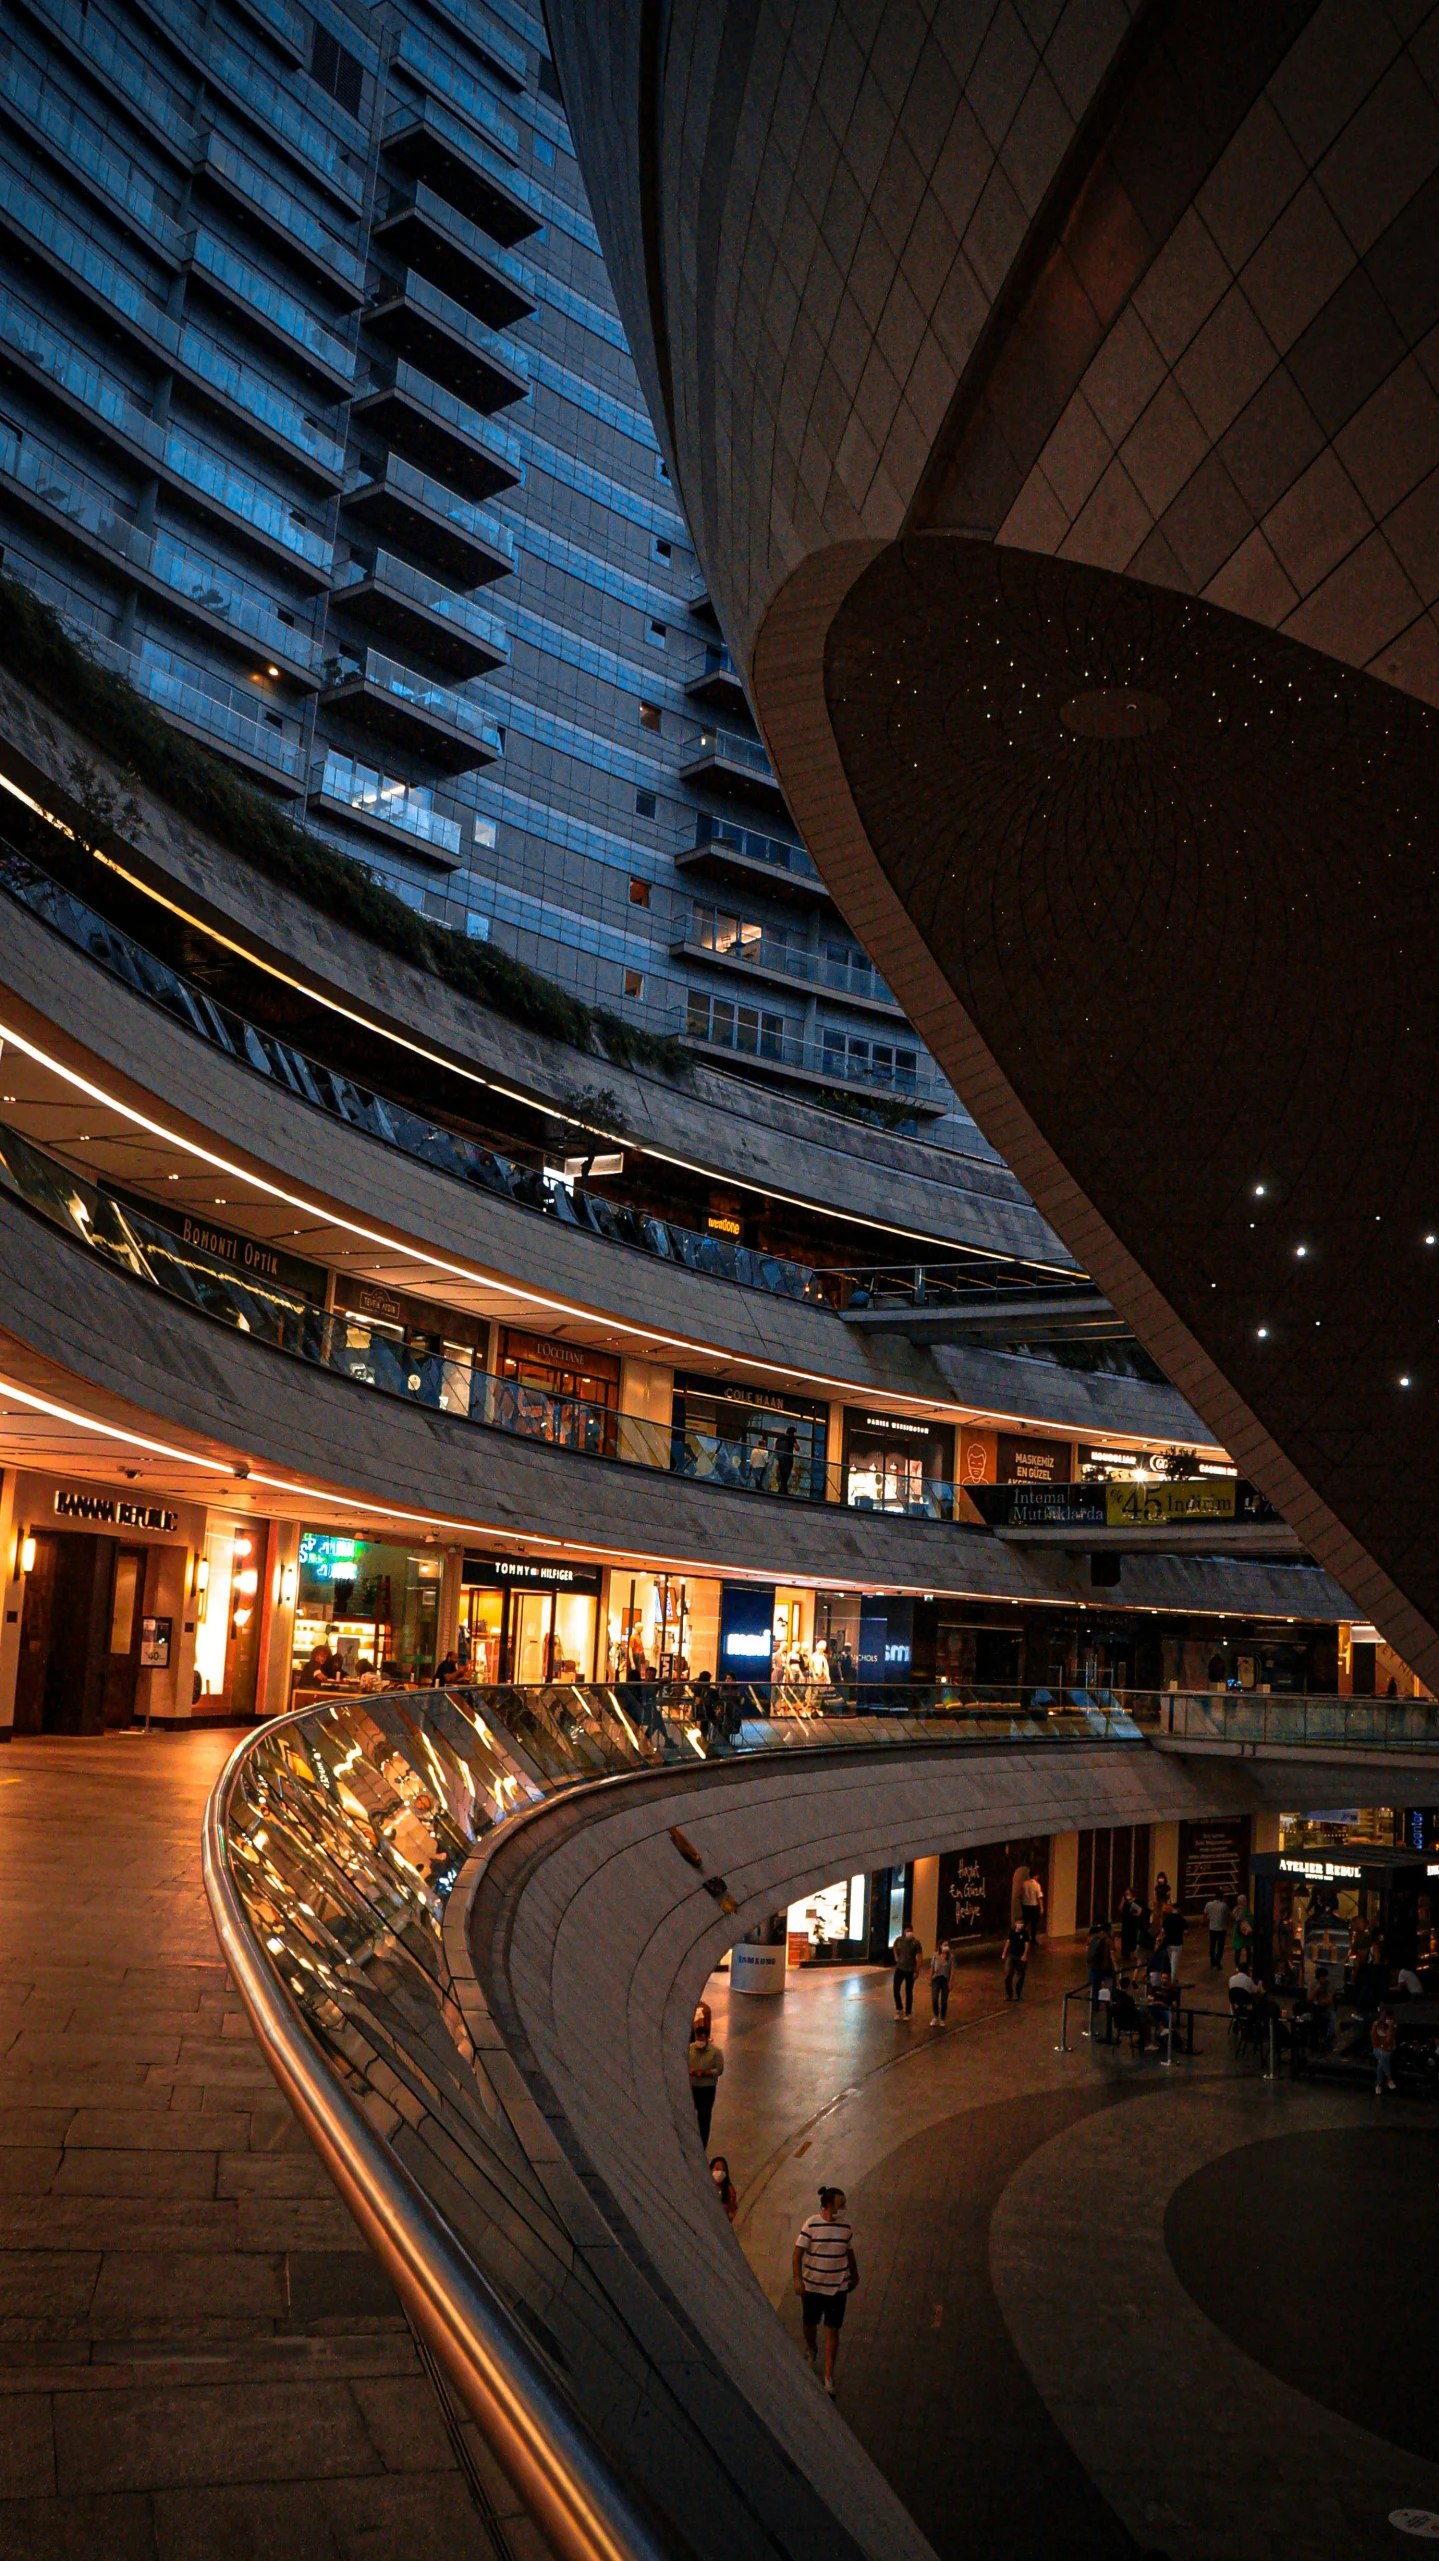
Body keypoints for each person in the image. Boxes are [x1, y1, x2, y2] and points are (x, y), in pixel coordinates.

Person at [792, 2186, 859, 2396]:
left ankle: (828, 2376)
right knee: (809, 2324)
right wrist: (798, 2280)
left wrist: (854, 2276)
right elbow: (797, 2254)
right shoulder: (811, 2224)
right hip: (813, 2286)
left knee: (832, 2330)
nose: (843, 2209)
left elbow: (849, 2252)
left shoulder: (845, 2227)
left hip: (837, 2288)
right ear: (829, 2205)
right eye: (841, 2205)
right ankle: (812, 2346)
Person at [688, 2016, 724, 2145]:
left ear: (707, 2038)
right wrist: (691, 2071)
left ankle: (703, 2143)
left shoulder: (716, 2052)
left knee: (704, 2118)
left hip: (707, 2089)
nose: (699, 2042)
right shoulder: (690, 2049)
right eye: (698, 2038)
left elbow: (719, 2070)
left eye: (702, 2039)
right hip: (692, 2088)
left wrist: (705, 2073)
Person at [1086, 1916, 1114, 2029]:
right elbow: (1112, 1954)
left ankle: (1095, 2005)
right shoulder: (1108, 1939)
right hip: (1106, 1967)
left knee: (1095, 1987)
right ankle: (1110, 2005)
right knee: (1111, 1986)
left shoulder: (1093, 1937)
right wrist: (1116, 1967)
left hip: (1094, 1966)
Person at [891, 1922, 923, 2017]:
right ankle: (899, 2008)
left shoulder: (916, 1943)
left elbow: (920, 1957)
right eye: (907, 1931)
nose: (909, 1933)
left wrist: (917, 1970)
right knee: (896, 1989)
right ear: (903, 1932)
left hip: (910, 1969)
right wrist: (896, 1956)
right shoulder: (899, 1940)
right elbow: (894, 1946)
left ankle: (908, 2012)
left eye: (910, 1931)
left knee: (909, 1991)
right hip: (900, 1968)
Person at [1372, 2005, 1398, 2094]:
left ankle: (1378, 2084)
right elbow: (1374, 2040)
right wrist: (1376, 2024)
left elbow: (1388, 2041)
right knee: (1382, 2054)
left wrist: (1390, 2027)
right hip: (1378, 2050)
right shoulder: (1376, 2026)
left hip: (1389, 2051)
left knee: (1381, 2060)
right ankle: (1389, 2079)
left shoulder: (1393, 2027)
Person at [1203, 1891, 1231, 1971]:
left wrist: (1203, 1923)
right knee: (1220, 1947)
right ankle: (1218, 1962)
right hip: (1221, 1928)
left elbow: (1205, 1915)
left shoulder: (1208, 1904)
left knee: (1212, 1946)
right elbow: (1228, 1915)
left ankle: (1212, 1962)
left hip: (1212, 1928)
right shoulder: (1224, 1906)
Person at [1003, 1919, 1030, 2002]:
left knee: (1020, 1975)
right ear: (1015, 1924)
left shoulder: (1025, 1933)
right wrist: (1004, 1953)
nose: (1020, 1925)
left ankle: (1017, 1994)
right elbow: (1008, 1942)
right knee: (1008, 1974)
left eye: (1022, 1923)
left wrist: (1025, 1954)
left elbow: (1026, 1944)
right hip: (1011, 1955)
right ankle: (1009, 1994)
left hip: (1020, 1956)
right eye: (1019, 1923)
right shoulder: (1011, 1932)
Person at [1161, 1901, 1188, 1981]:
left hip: (1168, 1943)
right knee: (1174, 1964)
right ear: (1179, 1910)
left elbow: (1163, 1931)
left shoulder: (1167, 1918)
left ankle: (1166, 1978)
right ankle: (1173, 1980)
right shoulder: (1182, 1920)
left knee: (1168, 1962)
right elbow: (1186, 1932)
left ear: (1172, 1909)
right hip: (1177, 1943)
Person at [929, 1939, 953, 2024]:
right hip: (936, 1978)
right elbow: (932, 1967)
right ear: (940, 1946)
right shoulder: (935, 1955)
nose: (946, 1947)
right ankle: (935, 2016)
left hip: (945, 1979)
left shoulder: (950, 1957)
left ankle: (942, 2018)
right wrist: (930, 1978)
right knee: (934, 1998)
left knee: (944, 2000)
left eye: (947, 1945)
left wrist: (950, 1982)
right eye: (944, 1945)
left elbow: (952, 1970)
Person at [1019, 1866, 1045, 1943]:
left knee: (1025, 1923)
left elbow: (1021, 1894)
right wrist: (1041, 1908)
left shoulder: (1024, 1884)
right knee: (1034, 1924)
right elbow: (1039, 1897)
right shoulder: (1037, 1885)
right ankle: (1033, 1939)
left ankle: (1021, 1937)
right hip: (1034, 1907)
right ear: (1036, 1876)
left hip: (1025, 1906)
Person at [1118, 1886, 1143, 1961]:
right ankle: (1125, 1954)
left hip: (1133, 1922)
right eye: (1126, 1893)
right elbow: (1120, 1909)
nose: (1127, 1894)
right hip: (1125, 1922)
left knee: (1132, 1937)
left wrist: (1136, 1914)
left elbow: (1140, 1910)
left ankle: (1133, 1950)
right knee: (1125, 1937)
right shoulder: (1125, 1901)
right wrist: (1122, 1901)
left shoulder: (1136, 1901)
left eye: (1128, 1893)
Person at [710, 2155, 739, 2221]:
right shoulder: (704, 2186)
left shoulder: (729, 2191)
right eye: (717, 2169)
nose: (720, 2173)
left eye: (723, 2170)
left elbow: (731, 2212)